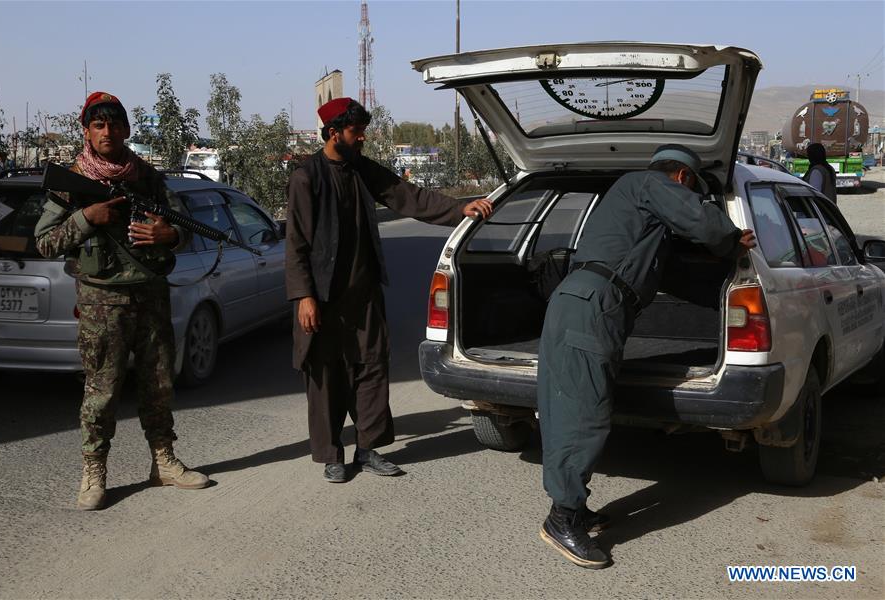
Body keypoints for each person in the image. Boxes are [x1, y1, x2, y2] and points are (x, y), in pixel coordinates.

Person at [537, 144, 756, 568]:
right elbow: (702, 221)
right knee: (582, 415)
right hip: (591, 304)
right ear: (682, 178)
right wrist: (731, 240)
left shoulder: (646, 227)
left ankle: (574, 507)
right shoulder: (645, 183)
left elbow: (676, 276)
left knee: (582, 407)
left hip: (596, 305)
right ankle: (562, 518)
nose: (688, 198)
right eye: (691, 191)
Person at [285, 97, 493, 483]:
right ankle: (331, 455)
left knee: (372, 369)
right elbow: (296, 241)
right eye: (356, 131)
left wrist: (458, 209)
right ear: (334, 133)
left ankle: (368, 449)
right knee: (326, 376)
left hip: (363, 295)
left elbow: (405, 195)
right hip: (323, 299)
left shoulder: (361, 169)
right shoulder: (306, 177)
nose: (362, 137)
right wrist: (304, 296)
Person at [34, 91, 210, 510]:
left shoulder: (146, 177)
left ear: (127, 129)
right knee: (102, 391)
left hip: (150, 294)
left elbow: (182, 227)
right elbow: (44, 242)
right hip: (102, 302)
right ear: (87, 132)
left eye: (115, 124)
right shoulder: (72, 181)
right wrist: (85, 218)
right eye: (99, 125)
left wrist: (171, 235)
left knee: (159, 383)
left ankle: (163, 461)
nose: (108, 132)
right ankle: (94, 471)